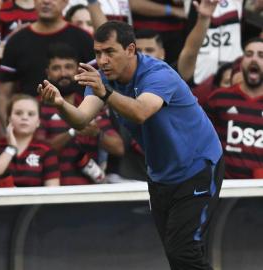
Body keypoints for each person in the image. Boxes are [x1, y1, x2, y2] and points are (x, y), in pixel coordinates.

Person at [39, 21, 224, 269]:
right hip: (161, 174)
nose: (102, 60)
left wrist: (105, 93)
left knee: (183, 251)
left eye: (109, 52)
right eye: (97, 53)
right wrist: (60, 104)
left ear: (130, 50)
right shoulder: (104, 80)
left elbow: (141, 111)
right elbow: (82, 118)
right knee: (178, 253)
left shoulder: (158, 75)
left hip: (198, 166)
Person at [0, 0, 95, 133]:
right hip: (30, 132)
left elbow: (98, 86)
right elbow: (4, 95)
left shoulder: (84, 39)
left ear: (65, 2)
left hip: (81, 128)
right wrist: (8, 134)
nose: (46, 1)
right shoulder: (16, 41)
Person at [38, 43, 123, 185]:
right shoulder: (38, 107)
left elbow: (118, 148)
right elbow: (37, 152)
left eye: (68, 67)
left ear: (77, 72)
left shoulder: (91, 105)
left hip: (89, 192)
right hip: (50, 191)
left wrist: (97, 134)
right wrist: (75, 130)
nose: (63, 73)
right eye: (56, 68)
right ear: (48, 73)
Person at [205, 37, 263, 179]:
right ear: (242, 61)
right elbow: (198, 141)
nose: (254, 59)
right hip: (225, 191)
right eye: (249, 54)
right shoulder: (218, 98)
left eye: (261, 55)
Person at [0, 94, 60, 187]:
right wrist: (11, 149)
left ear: (38, 122)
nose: (24, 117)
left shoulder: (46, 150)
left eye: (31, 114)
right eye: (18, 113)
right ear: (9, 118)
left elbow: (52, 191)